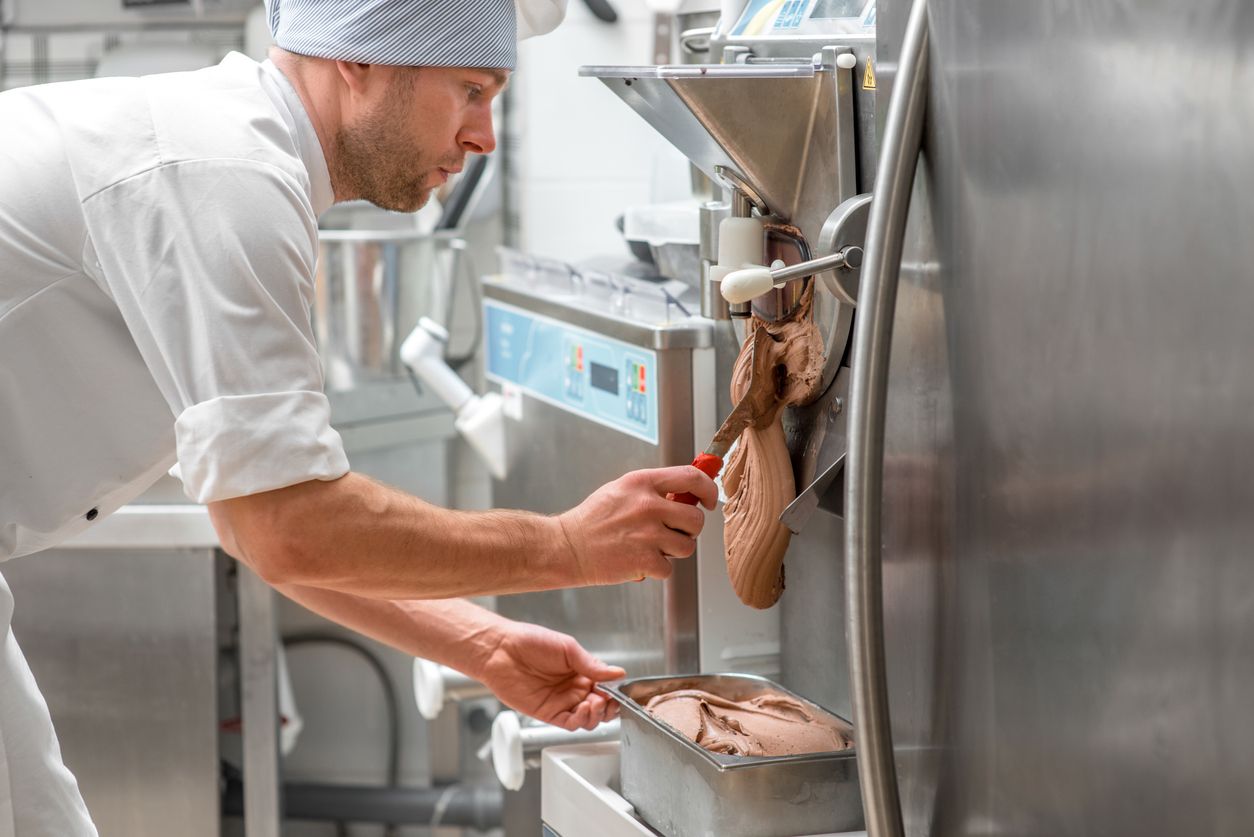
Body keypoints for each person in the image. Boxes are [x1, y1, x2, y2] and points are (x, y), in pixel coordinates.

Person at [0, 0, 718, 833]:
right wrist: (566, 545)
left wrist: (480, 645)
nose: (485, 134)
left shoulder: (236, 159)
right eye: (470, 90)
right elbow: (287, 527)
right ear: (360, 61)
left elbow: (256, 518)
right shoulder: (225, 176)